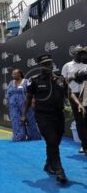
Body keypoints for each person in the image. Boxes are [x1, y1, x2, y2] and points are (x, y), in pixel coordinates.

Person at [22, 54, 85, 184]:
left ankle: (48, 163)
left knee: (55, 141)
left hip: (58, 115)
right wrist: (23, 114)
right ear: (40, 66)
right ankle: (59, 170)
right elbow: (28, 98)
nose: (48, 66)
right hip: (43, 115)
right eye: (44, 64)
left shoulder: (60, 80)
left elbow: (70, 93)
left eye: (49, 64)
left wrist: (78, 104)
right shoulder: (34, 80)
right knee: (51, 140)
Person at [61, 46, 87, 153]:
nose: (82, 55)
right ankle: (84, 145)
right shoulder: (67, 66)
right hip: (74, 95)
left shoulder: (86, 65)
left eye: (83, 53)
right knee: (80, 121)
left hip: (86, 94)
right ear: (74, 54)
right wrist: (73, 77)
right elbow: (62, 82)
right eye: (80, 53)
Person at [6, 69, 40, 141]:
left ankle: (34, 138)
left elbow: (31, 93)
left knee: (30, 120)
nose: (14, 75)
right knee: (16, 121)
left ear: (20, 74)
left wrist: (33, 101)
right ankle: (19, 137)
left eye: (15, 74)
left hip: (26, 104)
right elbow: (8, 93)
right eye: (13, 74)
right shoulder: (11, 83)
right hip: (14, 106)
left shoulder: (26, 81)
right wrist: (8, 102)